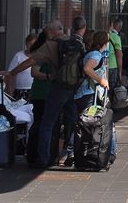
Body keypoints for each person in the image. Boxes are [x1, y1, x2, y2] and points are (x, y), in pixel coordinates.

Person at [6, 16, 86, 168]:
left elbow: (31, 61)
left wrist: (12, 72)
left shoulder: (51, 45)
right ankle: (77, 154)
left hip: (58, 87)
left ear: (51, 32)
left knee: (47, 123)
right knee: (74, 121)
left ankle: (43, 158)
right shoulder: (75, 43)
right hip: (73, 87)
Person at [75, 30, 116, 166]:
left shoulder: (89, 53)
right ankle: (104, 154)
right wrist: (101, 80)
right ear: (105, 43)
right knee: (92, 124)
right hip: (89, 94)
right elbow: (88, 69)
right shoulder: (96, 55)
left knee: (82, 124)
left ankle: (81, 152)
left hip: (81, 93)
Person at [24, 29, 54, 165]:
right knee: (41, 125)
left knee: (42, 125)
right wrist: (49, 76)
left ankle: (38, 154)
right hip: (41, 94)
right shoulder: (41, 54)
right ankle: (37, 155)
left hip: (46, 94)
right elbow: (34, 72)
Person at [6, 33, 37, 101]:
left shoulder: (39, 57)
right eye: (30, 44)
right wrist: (9, 94)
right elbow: (10, 74)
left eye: (34, 45)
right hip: (20, 91)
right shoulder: (18, 56)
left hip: (34, 91)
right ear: (26, 44)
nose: (31, 47)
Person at [108, 18, 124, 89]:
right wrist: (120, 71)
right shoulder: (116, 37)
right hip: (113, 66)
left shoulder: (105, 35)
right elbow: (119, 56)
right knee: (113, 89)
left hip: (103, 66)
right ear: (120, 27)